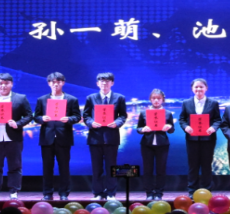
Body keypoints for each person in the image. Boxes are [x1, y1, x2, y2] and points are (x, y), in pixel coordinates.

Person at [0, 72, 33, 201]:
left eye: (6, 83)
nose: (3, 86)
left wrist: (17, 123)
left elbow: (29, 115)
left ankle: (14, 191)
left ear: (11, 84)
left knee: (15, 166)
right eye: (0, 83)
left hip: (14, 137)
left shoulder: (20, 98)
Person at [33, 72, 81, 201]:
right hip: (47, 138)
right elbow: (36, 116)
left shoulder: (71, 99)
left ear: (63, 83)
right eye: (53, 82)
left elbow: (77, 116)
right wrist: (42, 118)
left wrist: (69, 119)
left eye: (58, 82)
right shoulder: (42, 99)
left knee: (64, 167)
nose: (55, 84)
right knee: (47, 167)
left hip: (64, 137)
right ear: (49, 83)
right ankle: (47, 193)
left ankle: (64, 193)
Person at [83, 72, 128, 200]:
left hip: (111, 137)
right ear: (97, 83)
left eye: (107, 81)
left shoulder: (119, 98)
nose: (104, 83)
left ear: (112, 83)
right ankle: (97, 193)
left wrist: (117, 123)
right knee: (96, 167)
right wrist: (91, 123)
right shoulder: (91, 98)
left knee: (111, 167)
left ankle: (111, 193)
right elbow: (86, 116)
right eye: (102, 81)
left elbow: (123, 115)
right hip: (95, 137)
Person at [178, 78, 222, 194]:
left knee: (207, 165)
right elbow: (182, 119)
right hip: (192, 139)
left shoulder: (213, 103)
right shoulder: (186, 103)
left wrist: (213, 128)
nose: (198, 89)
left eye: (201, 87)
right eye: (196, 87)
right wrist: (186, 127)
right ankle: (192, 190)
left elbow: (217, 119)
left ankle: (206, 190)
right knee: (193, 165)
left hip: (208, 139)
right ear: (192, 89)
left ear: (206, 88)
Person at [137, 88, 176, 201]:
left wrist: (169, 127)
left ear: (163, 100)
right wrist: (143, 129)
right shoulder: (143, 113)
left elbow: (172, 130)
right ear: (150, 99)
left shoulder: (167, 113)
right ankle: (149, 193)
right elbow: (138, 128)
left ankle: (159, 193)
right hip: (147, 144)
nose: (156, 100)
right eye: (154, 98)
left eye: (158, 98)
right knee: (147, 169)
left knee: (161, 170)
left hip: (162, 144)